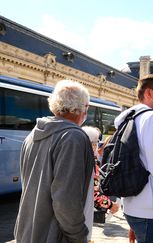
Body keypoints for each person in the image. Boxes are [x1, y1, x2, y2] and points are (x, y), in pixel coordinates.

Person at [14, 80, 94, 243]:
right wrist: (79, 236)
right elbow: (66, 200)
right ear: (82, 108)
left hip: (28, 231)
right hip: (54, 235)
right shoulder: (73, 137)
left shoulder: (32, 136)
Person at [115, 74, 153, 243]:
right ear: (149, 93)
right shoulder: (152, 118)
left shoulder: (128, 118)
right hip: (152, 211)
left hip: (131, 207)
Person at [81, 126, 119, 230]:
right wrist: (111, 205)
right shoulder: (91, 163)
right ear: (92, 145)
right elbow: (95, 194)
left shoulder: (74, 158)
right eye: (95, 143)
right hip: (83, 213)